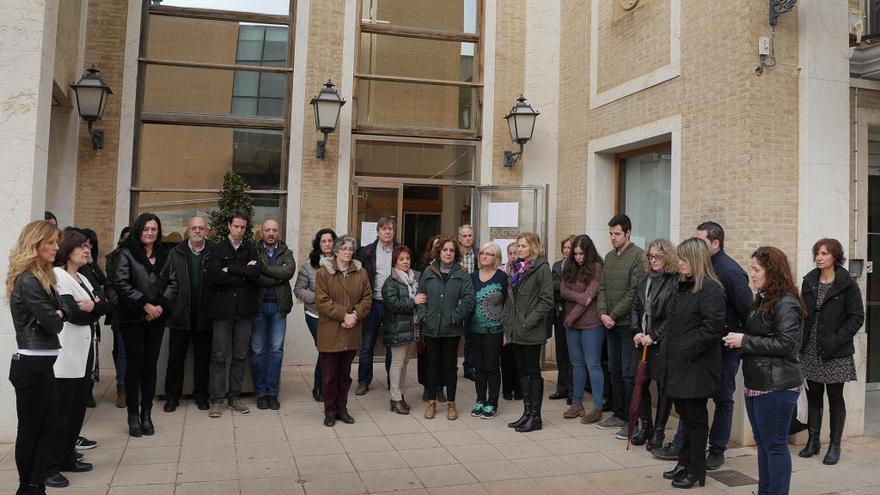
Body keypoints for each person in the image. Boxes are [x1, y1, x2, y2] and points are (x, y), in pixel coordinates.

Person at [654, 221, 752, 466]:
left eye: (702, 241)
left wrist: (736, 340)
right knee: (690, 401)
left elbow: (746, 312)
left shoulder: (730, 272)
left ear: (715, 244)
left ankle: (717, 449)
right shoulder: (689, 275)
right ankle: (682, 447)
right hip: (695, 350)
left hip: (723, 348)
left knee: (722, 398)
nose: (695, 245)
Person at [722, 246, 804, 495]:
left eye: (756, 269)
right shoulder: (763, 298)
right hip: (758, 382)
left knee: (775, 445)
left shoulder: (786, 302)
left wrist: (744, 341)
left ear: (772, 271)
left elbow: (787, 343)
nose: (752, 274)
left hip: (777, 385)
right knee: (765, 445)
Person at [45, 230, 111, 487]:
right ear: (67, 250)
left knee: (75, 411)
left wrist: (94, 306)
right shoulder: (58, 276)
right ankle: (49, 465)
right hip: (67, 355)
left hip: (85, 353)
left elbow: (106, 304)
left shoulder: (83, 276)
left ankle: (67, 457)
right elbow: (73, 313)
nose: (87, 250)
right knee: (60, 413)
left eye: (88, 247)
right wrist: (93, 308)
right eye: (81, 247)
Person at [660, 237, 725, 489]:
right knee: (685, 416)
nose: (680, 262)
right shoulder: (682, 285)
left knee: (696, 419)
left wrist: (684, 349)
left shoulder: (711, 289)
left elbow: (712, 329)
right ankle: (684, 462)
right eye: (679, 258)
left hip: (696, 365)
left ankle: (697, 468)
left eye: (684, 258)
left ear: (697, 260)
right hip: (678, 362)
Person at [7, 220, 65, 494]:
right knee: (31, 430)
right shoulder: (29, 280)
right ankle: (26, 487)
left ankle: (36, 485)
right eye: (51, 242)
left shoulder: (43, 277)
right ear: (35, 244)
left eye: (57, 242)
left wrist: (59, 313)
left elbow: (60, 310)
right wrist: (60, 314)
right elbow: (54, 323)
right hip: (31, 365)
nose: (56, 247)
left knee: (47, 428)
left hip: (42, 364)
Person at [110, 213, 178, 437]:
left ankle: (147, 414)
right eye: (146, 229)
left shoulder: (165, 254)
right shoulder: (125, 253)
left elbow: (173, 283)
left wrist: (159, 307)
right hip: (132, 318)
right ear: (139, 230)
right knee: (135, 365)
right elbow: (121, 283)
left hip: (156, 318)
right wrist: (145, 305)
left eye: (154, 229)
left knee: (150, 365)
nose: (150, 233)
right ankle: (132, 415)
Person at [798, 238, 864, 465]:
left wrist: (836, 341)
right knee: (813, 396)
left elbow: (857, 318)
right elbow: (802, 313)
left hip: (836, 351)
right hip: (810, 349)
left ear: (835, 256)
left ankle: (834, 445)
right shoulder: (809, 282)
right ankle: (813, 441)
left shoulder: (847, 284)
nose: (819, 257)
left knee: (835, 398)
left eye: (824, 253)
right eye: (817, 253)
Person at [206, 212, 263, 418]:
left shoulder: (251, 249)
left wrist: (230, 268)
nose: (239, 230)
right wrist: (242, 272)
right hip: (222, 311)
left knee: (240, 355)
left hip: (244, 311)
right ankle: (217, 400)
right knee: (219, 356)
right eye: (236, 226)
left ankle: (235, 397)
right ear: (229, 226)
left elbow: (256, 273)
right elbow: (215, 277)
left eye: (243, 227)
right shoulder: (216, 249)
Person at [315, 235, 372, 426]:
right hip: (331, 330)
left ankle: (342, 409)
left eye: (350, 249)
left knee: (345, 376)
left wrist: (355, 315)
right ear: (336, 250)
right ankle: (330, 411)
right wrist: (344, 315)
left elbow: (367, 298)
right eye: (344, 248)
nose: (348, 252)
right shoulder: (324, 273)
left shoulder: (361, 273)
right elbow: (322, 301)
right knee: (329, 376)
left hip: (351, 330)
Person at [596, 214, 644, 439]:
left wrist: (613, 315)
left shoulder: (638, 257)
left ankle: (630, 418)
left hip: (626, 325)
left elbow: (634, 292)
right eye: (611, 234)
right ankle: (618, 412)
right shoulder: (608, 257)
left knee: (628, 372)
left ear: (628, 233)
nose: (613, 238)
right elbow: (603, 287)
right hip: (610, 324)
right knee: (613, 368)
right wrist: (603, 313)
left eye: (617, 234)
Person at [418, 236, 476, 421]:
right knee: (433, 366)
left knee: (450, 367)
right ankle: (431, 403)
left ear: (455, 253)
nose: (448, 253)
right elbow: (421, 296)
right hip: (431, 328)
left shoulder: (462, 273)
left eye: (451, 250)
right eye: (445, 250)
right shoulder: (429, 271)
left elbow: (468, 299)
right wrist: (424, 316)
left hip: (451, 329)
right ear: (439, 252)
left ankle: (451, 403)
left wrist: (455, 317)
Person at [630, 239, 678, 450]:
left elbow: (672, 315)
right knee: (641, 383)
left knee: (663, 386)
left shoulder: (673, 281)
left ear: (667, 257)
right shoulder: (643, 278)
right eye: (651, 256)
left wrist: (654, 336)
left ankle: (658, 431)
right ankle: (646, 426)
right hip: (642, 341)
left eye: (658, 256)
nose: (654, 260)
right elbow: (634, 307)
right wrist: (637, 332)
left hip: (662, 343)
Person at [504, 233, 554, 433]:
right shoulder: (518, 268)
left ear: (533, 247)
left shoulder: (542, 268)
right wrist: (509, 324)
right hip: (516, 330)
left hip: (530, 330)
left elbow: (546, 300)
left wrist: (526, 323)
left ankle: (535, 416)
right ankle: (526, 413)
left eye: (523, 246)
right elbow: (511, 300)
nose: (519, 249)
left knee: (533, 372)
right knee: (521, 371)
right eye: (518, 245)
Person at [164, 216, 215, 412]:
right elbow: (167, 280)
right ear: (188, 229)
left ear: (207, 231)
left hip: (204, 314)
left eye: (201, 228)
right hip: (179, 314)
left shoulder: (214, 252)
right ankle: (172, 397)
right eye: (194, 227)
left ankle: (201, 396)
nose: (197, 231)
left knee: (203, 359)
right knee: (175, 359)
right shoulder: (176, 252)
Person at [251, 219, 296, 411]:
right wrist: (275, 278)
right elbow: (254, 276)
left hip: (279, 308)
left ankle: (272, 392)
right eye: (267, 230)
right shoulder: (253, 251)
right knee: (258, 351)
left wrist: (264, 270)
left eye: (274, 230)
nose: (271, 233)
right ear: (261, 232)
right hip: (258, 308)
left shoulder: (286, 252)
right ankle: (261, 393)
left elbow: (288, 272)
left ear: (279, 232)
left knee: (276, 351)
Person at [560, 234, 605, 424]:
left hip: (591, 324)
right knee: (576, 364)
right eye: (576, 254)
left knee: (593, 365)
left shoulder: (596, 267)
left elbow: (590, 297)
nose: (578, 257)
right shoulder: (569, 267)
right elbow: (563, 291)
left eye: (581, 253)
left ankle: (597, 408)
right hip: (573, 325)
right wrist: (580, 297)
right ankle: (577, 403)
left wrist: (570, 317)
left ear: (589, 252)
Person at [355, 218, 397, 396]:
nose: (388, 232)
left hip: (392, 304)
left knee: (391, 345)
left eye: (390, 229)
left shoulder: (400, 250)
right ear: (378, 232)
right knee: (367, 345)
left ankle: (391, 380)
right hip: (373, 303)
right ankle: (364, 381)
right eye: (384, 229)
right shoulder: (367, 252)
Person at [294, 228, 337, 402]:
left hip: (334, 315)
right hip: (315, 315)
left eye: (330, 240)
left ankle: (327, 385)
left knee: (330, 351)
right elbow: (298, 290)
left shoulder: (340, 263)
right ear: (318, 244)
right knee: (324, 350)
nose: (327, 244)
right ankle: (319, 387)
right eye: (323, 241)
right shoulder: (309, 265)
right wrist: (317, 299)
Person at [382, 245, 424, 414]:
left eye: (407, 258)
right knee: (397, 363)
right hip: (398, 328)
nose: (405, 261)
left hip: (413, 328)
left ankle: (401, 395)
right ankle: (395, 398)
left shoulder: (415, 278)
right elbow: (393, 304)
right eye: (401, 259)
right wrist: (414, 301)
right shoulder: (390, 282)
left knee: (405, 363)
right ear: (395, 262)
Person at [469, 242, 508, 419]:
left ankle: (492, 403)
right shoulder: (472, 277)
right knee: (479, 367)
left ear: (496, 257)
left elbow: (508, 304)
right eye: (482, 253)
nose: (484, 256)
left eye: (489, 254)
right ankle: (479, 400)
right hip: (475, 329)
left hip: (495, 330)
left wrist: (507, 331)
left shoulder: (502, 277)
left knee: (492, 366)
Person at [105, 226, 130, 409]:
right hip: (121, 313)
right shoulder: (113, 258)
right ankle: (122, 388)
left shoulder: (141, 258)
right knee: (122, 353)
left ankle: (131, 385)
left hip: (139, 313)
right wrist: (121, 303)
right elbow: (110, 285)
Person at [550, 235, 575, 403]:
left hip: (572, 314)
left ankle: (572, 390)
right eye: (565, 247)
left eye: (570, 248)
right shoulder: (557, 265)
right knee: (560, 353)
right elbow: (551, 285)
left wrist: (562, 288)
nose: (567, 250)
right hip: (558, 313)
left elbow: (573, 289)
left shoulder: (578, 267)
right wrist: (563, 288)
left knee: (572, 354)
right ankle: (561, 387)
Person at [501, 241, 522, 401]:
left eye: (516, 252)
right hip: (506, 317)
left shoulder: (524, 270)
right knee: (506, 357)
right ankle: (507, 389)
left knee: (518, 358)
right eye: (511, 253)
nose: (514, 256)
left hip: (519, 318)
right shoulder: (503, 271)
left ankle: (519, 388)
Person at [458, 224, 478, 380]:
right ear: (459, 238)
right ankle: (450, 367)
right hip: (456, 301)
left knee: (470, 337)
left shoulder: (479, 255)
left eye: (469, 235)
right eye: (464, 236)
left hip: (473, 301)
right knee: (452, 336)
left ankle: (469, 367)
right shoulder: (453, 254)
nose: (467, 238)